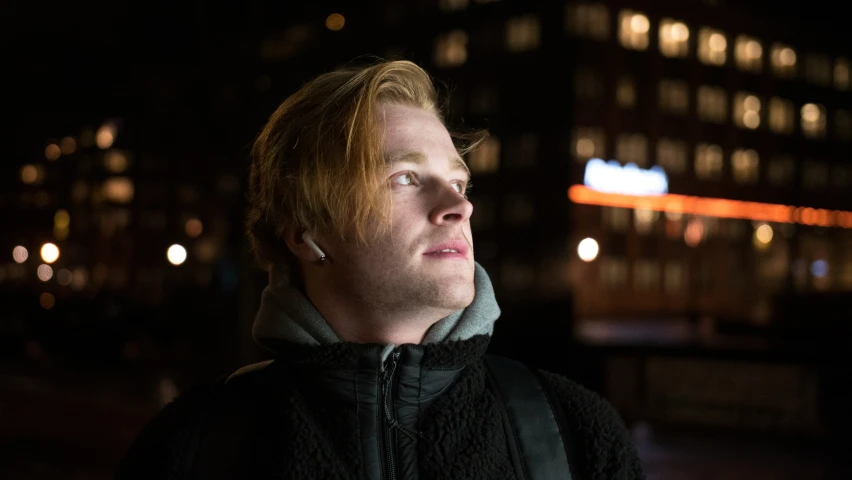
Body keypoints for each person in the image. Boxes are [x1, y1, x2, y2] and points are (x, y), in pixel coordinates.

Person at [116, 59, 644, 479]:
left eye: (458, 182)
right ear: (306, 232)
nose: (459, 207)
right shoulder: (191, 448)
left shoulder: (574, 434)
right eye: (406, 178)